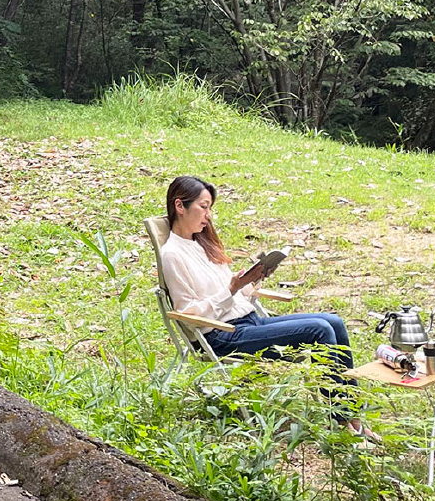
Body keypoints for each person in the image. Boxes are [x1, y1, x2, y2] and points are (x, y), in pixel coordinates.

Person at [157, 174, 379, 441]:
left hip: (248, 322)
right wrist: (233, 288)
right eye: (203, 207)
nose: (208, 215)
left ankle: (352, 416)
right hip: (222, 335)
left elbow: (234, 296)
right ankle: (345, 421)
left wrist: (254, 279)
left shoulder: (201, 244)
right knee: (319, 330)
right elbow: (188, 314)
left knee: (333, 321)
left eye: (210, 208)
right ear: (180, 206)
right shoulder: (173, 255)